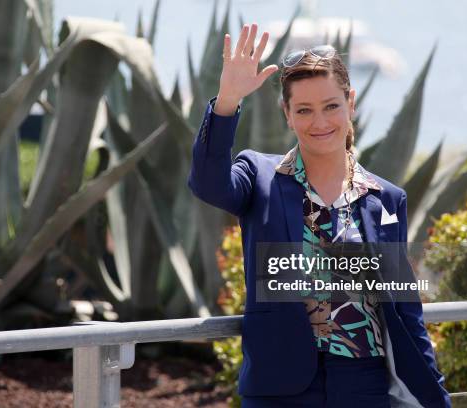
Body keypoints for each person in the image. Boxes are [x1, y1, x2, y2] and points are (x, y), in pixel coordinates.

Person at [187, 23, 452, 408]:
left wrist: (437, 398)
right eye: (304, 110)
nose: (320, 122)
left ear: (351, 103)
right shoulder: (258, 176)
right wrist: (227, 100)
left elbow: (405, 312)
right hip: (279, 387)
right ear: (287, 114)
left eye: (331, 106)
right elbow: (208, 184)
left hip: (365, 386)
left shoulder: (386, 199)